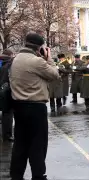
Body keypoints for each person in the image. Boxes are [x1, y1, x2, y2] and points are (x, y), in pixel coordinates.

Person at [9, 32, 60, 180]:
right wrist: (49, 59)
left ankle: (16, 175)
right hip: (36, 107)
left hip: (18, 106)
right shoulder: (36, 61)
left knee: (20, 144)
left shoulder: (16, 59)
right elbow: (54, 74)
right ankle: (38, 175)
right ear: (39, 47)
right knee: (38, 143)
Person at [0, 49, 14, 142]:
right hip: (6, 91)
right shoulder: (9, 64)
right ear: (10, 55)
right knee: (8, 114)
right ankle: (7, 135)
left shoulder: (2, 63)